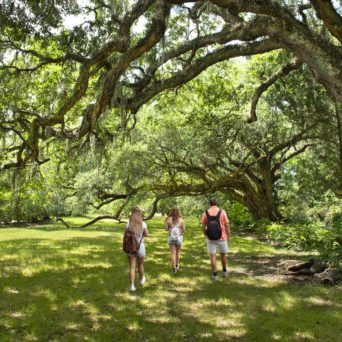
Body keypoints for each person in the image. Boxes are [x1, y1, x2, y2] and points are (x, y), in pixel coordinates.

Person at [201, 198, 230, 280]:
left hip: (210, 237)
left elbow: (202, 226)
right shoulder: (222, 212)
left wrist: (205, 234)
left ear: (210, 204)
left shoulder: (205, 212)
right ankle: (224, 271)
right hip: (222, 236)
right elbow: (227, 225)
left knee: (212, 255)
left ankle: (214, 274)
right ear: (217, 204)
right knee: (223, 254)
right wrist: (228, 235)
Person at [124, 208, 148, 292]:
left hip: (130, 247)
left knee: (132, 267)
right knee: (140, 265)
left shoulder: (128, 224)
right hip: (140, 247)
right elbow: (146, 234)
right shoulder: (143, 224)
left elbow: (125, 237)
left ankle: (132, 286)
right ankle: (141, 280)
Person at [165, 207, 185, 274]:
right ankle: (177, 265)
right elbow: (184, 230)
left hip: (171, 238)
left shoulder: (168, 219)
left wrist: (170, 228)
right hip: (179, 238)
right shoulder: (181, 219)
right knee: (178, 252)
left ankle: (173, 268)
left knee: (173, 253)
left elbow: (166, 229)